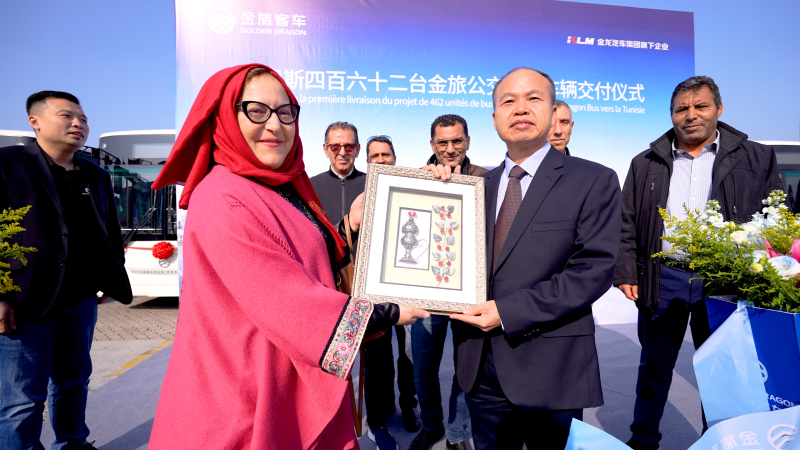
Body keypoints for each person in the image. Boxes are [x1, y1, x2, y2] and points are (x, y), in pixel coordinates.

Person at [147, 64, 428, 449]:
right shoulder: (223, 196)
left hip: (281, 373)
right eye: (256, 111)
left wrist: (349, 224)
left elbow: (302, 258)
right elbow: (290, 301)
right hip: (247, 393)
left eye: (285, 112)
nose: (274, 125)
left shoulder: (278, 188)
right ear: (226, 117)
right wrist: (389, 312)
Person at [428, 67, 621, 450]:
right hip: (480, 368)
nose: (520, 108)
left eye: (533, 98)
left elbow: (593, 271)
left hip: (551, 366)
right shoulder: (473, 188)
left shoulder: (593, 180)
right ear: (494, 118)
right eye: (508, 101)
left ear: (552, 111)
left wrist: (507, 312)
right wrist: (430, 197)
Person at [615, 76, 781, 450]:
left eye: (700, 106)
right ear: (672, 114)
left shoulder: (756, 157)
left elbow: (775, 217)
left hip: (725, 280)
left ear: (718, 109)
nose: (691, 115)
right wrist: (626, 271)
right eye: (681, 109)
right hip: (664, 277)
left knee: (722, 370)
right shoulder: (645, 162)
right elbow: (626, 220)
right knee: (654, 367)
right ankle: (643, 440)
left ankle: (719, 441)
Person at [0, 91, 133, 450]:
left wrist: (107, 278)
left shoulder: (95, 174)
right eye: (67, 116)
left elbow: (108, 231)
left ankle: (73, 444)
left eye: (83, 119)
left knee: (74, 383)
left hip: (80, 300)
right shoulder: (7, 164)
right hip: (24, 302)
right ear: (35, 121)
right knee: (22, 399)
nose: (78, 124)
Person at [407, 116, 481, 450]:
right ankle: (431, 425)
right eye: (442, 142)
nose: (450, 149)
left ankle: (457, 433)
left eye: (457, 141)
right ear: (432, 144)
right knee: (423, 369)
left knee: (466, 370)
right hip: (425, 296)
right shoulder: (416, 179)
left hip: (469, 296)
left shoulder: (486, 180)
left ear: (468, 141)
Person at [353, 135, 420, 450]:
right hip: (373, 293)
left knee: (408, 355)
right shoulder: (361, 196)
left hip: (406, 288)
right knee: (377, 359)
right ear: (368, 162)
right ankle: (378, 419)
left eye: (386, 154)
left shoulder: (410, 187)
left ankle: (409, 405)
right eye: (375, 156)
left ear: (394, 157)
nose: (380, 160)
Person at [310, 122, 366, 225]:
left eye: (349, 147)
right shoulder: (310, 186)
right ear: (326, 150)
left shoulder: (371, 185)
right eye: (335, 147)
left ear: (357, 149)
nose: (342, 153)